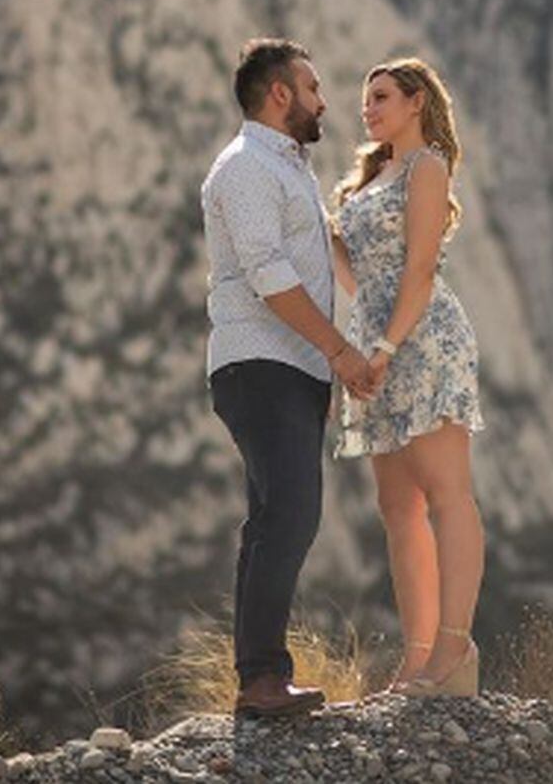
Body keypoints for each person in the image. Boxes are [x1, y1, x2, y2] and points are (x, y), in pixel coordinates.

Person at [201, 38, 376, 718]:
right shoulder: (246, 167)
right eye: (312, 85)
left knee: (272, 519)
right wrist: (338, 353)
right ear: (280, 94)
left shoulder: (288, 166)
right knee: (292, 515)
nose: (323, 99)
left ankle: (259, 676)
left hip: (289, 368)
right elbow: (270, 274)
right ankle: (263, 679)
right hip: (259, 362)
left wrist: (320, 374)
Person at [331, 57, 485, 697]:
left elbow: (419, 271)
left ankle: (455, 651)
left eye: (382, 96)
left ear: (417, 101)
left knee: (449, 496)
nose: (368, 109)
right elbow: (358, 279)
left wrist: (387, 348)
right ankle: (417, 656)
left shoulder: (427, 166)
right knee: (398, 508)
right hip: (376, 347)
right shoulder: (372, 175)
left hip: (421, 342)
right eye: (366, 100)